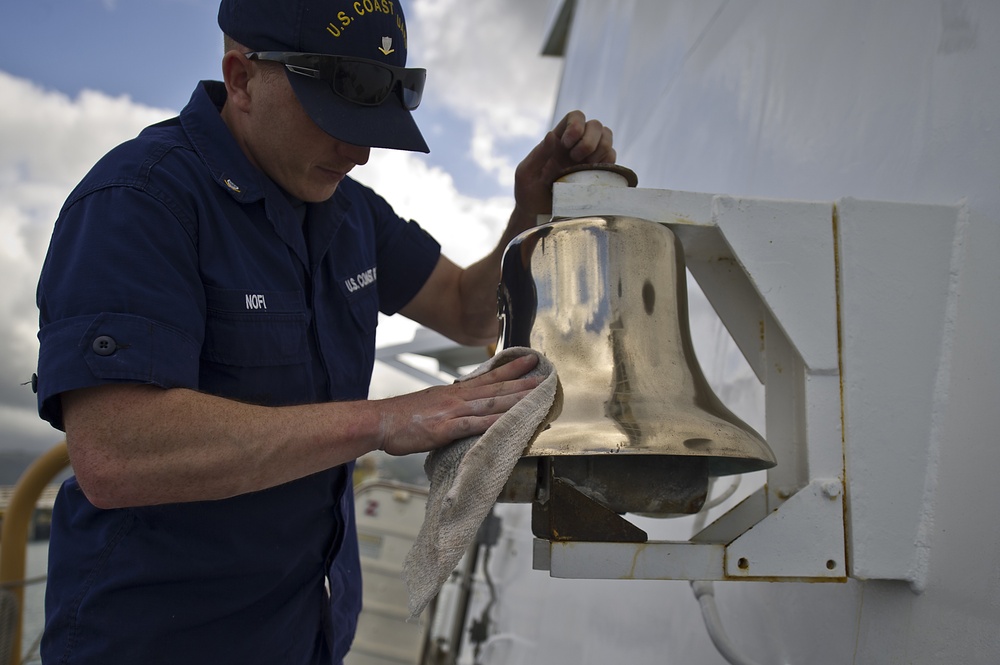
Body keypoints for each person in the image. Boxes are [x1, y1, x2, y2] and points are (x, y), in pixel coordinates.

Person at [34, 0, 614, 662]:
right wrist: (387, 420)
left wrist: (527, 209)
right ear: (242, 78)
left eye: (372, 123)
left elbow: (466, 307)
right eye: (335, 119)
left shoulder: (350, 213)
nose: (361, 152)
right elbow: (116, 452)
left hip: (302, 635)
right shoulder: (139, 197)